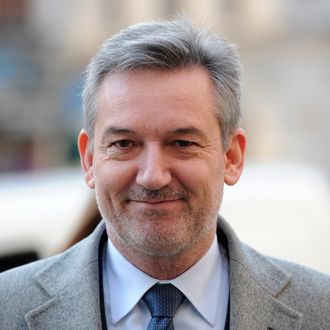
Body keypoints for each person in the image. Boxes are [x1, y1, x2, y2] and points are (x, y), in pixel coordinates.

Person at [1, 18, 329, 330]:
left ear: (231, 156)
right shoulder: (7, 309)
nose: (153, 176)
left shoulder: (320, 310)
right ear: (88, 159)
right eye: (124, 143)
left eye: (182, 142)